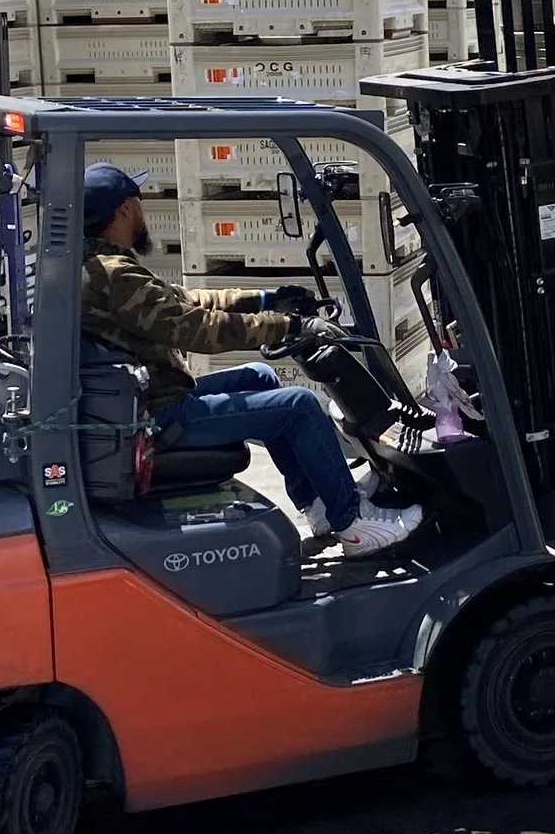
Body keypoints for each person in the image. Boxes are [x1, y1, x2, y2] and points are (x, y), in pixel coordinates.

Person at [80, 163, 423, 557]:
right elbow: (196, 328)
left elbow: (184, 300)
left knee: (260, 375)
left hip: (151, 400)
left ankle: (317, 503)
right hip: (161, 416)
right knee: (298, 405)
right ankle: (353, 523)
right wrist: (288, 326)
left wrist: (266, 299)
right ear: (125, 209)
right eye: (138, 202)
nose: (143, 210)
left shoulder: (103, 267)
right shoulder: (115, 277)